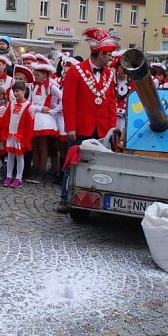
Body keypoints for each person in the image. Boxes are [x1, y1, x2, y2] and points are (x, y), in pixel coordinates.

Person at [56, 28, 118, 213]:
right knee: (73, 164)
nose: (111, 58)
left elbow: (111, 102)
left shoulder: (109, 74)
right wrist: (70, 127)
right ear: (98, 53)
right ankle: (65, 198)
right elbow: (68, 102)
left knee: (99, 166)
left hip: (102, 130)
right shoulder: (76, 72)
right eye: (108, 55)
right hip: (81, 128)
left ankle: (94, 197)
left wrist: (112, 128)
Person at [30, 58, 62, 184]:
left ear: (45, 75)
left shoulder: (51, 87)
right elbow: (29, 101)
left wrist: (54, 111)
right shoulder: (32, 86)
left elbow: (63, 99)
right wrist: (37, 108)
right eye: (35, 74)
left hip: (44, 120)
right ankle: (35, 169)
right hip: (34, 116)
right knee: (34, 146)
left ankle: (41, 172)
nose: (35, 77)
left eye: (38, 75)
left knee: (43, 146)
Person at [1, 80, 34, 188]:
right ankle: (9, 176)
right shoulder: (11, 104)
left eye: (18, 91)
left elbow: (30, 126)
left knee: (20, 157)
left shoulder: (29, 107)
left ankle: (19, 178)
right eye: (14, 91)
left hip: (20, 136)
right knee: (10, 156)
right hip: (11, 134)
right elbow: (6, 119)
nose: (15, 94)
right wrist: (4, 133)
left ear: (24, 91)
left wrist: (26, 140)